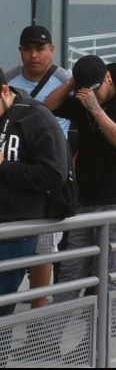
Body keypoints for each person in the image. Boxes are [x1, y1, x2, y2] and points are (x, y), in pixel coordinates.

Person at [45, 56, 116, 303]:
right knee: (71, 271)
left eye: (96, 88)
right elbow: (48, 107)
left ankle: (99, 327)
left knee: (106, 273)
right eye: (85, 90)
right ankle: (55, 328)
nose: (92, 95)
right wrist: (72, 82)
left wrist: (96, 109)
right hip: (87, 199)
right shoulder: (83, 98)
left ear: (108, 78)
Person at [6, 25, 72, 309]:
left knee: (44, 248)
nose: (34, 55)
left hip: (49, 173)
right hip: (13, 172)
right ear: (20, 51)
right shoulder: (10, 79)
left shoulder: (65, 79)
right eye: (28, 49)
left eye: (40, 49)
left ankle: (38, 312)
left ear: (51, 50)